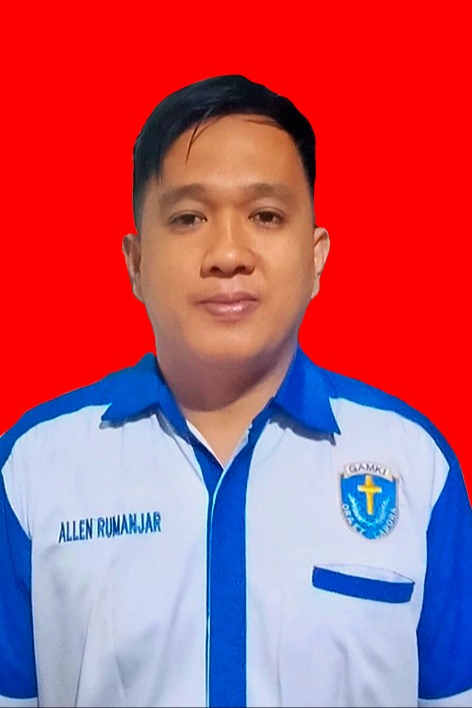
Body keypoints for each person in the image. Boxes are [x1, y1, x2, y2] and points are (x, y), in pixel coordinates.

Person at [0, 74, 471, 708]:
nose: (227, 254)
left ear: (316, 256)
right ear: (135, 262)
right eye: (189, 218)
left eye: (265, 216)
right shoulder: (33, 469)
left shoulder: (413, 464)